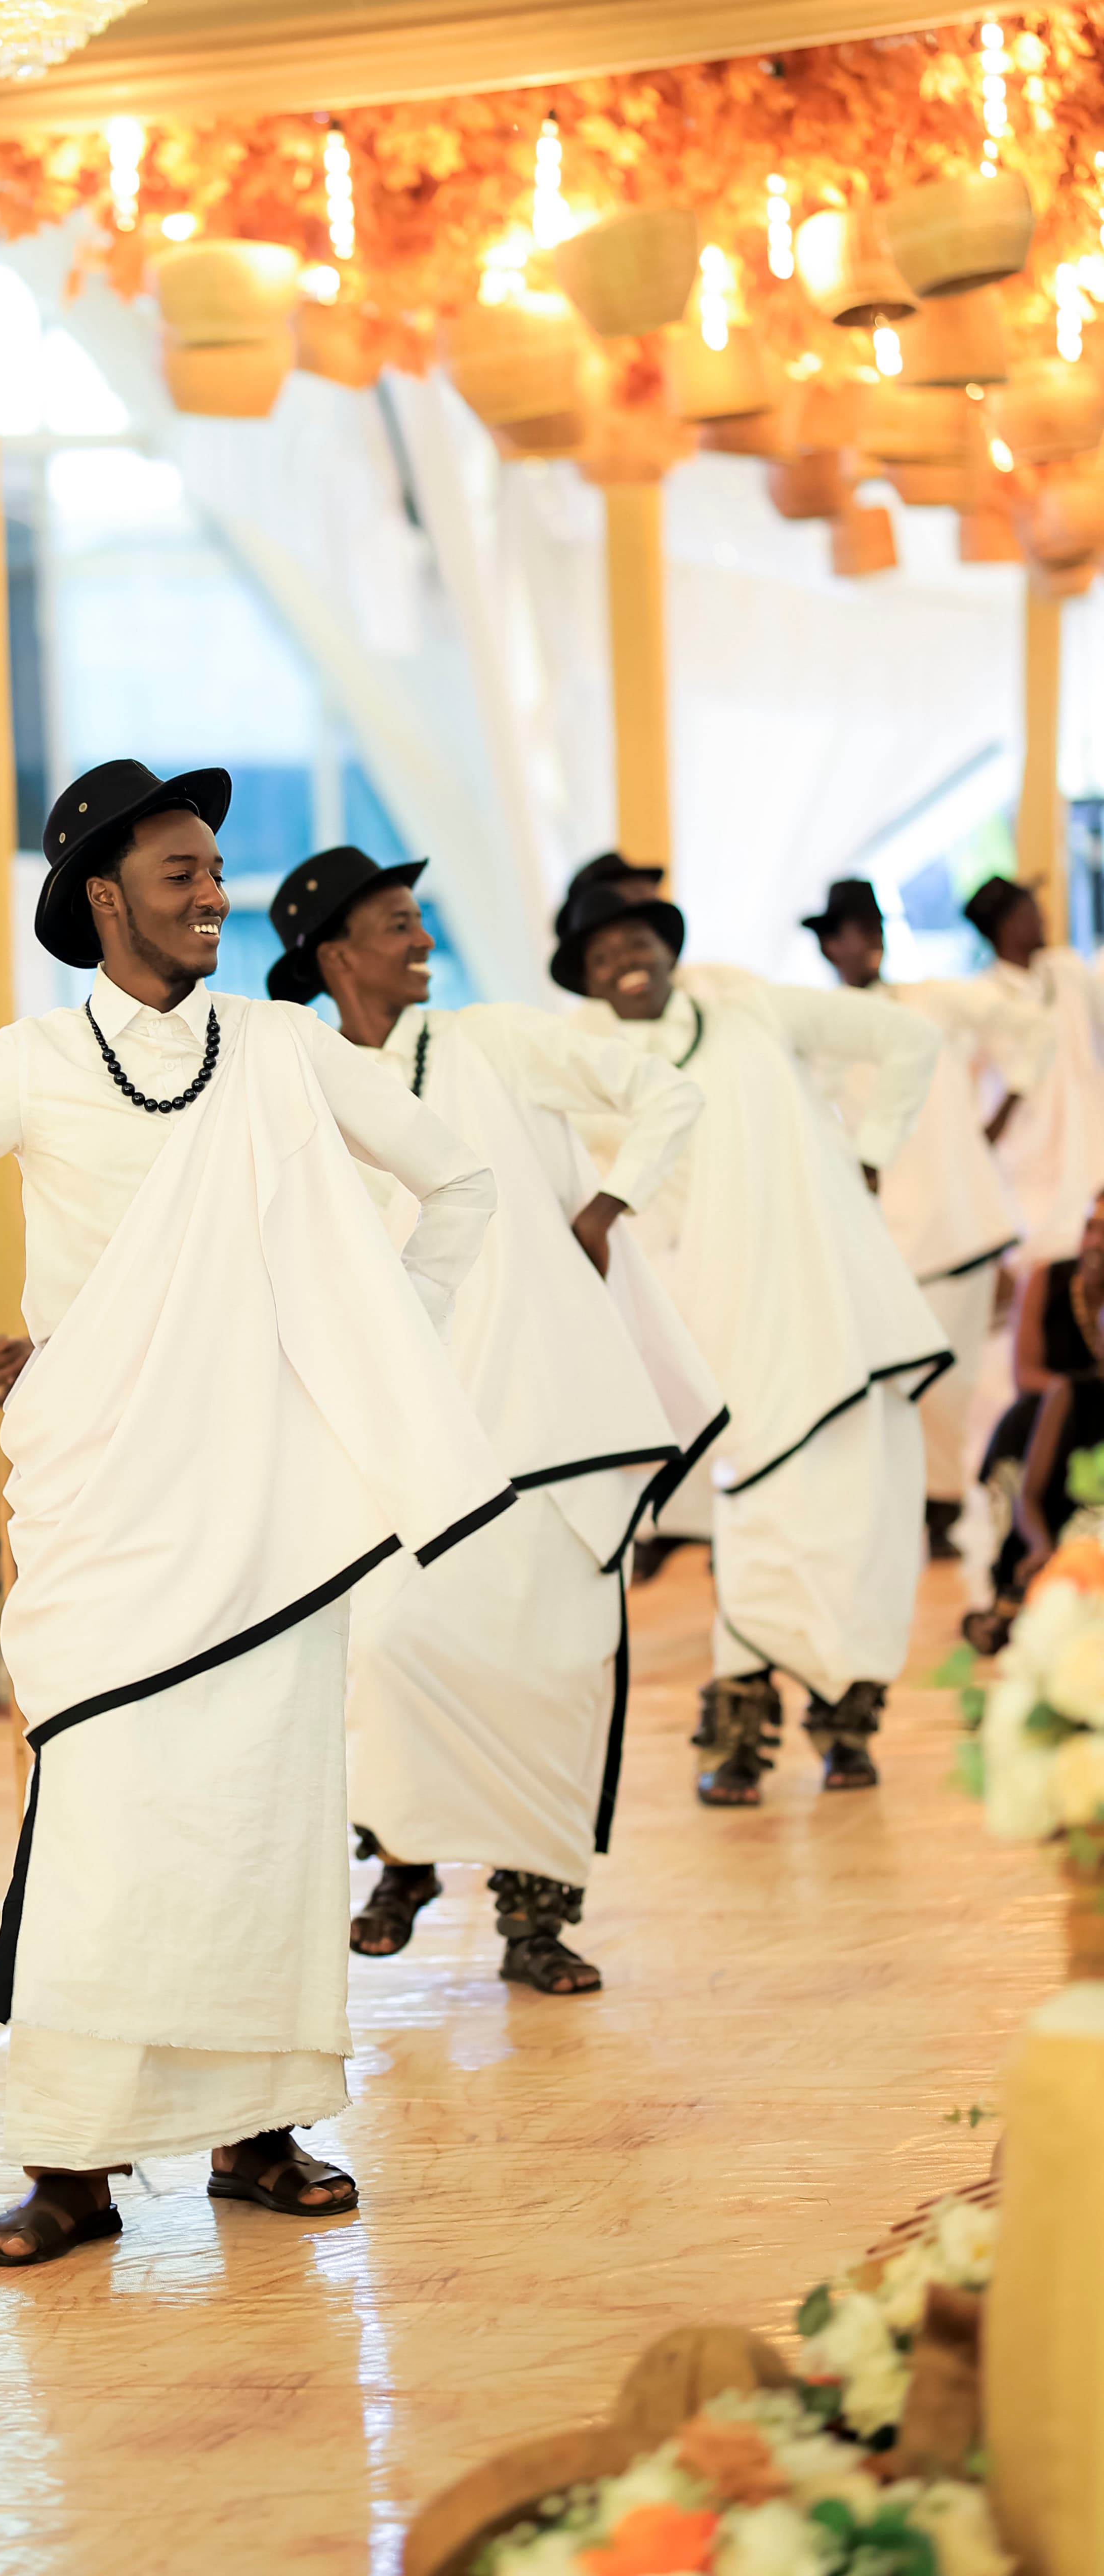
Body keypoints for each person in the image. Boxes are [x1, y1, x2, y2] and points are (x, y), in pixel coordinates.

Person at [0, 760, 509, 2269]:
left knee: (264, 1812)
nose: (211, 895)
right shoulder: (30, 1061)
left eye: (213, 870)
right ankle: (69, 2163)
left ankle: (258, 2133)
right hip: (100, 1500)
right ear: (102, 897)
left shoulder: (278, 1048)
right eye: (179, 873)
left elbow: (457, 1184)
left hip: (266, 1500)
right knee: (103, 1813)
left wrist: (366, 1343)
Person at [266, 846, 718, 1992]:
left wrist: (604, 1211)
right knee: (389, 1647)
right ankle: (404, 1856)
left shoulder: (492, 1042)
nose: (424, 939)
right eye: (397, 923)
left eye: (419, 919)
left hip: (549, 1411)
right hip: (397, 1428)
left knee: (553, 1665)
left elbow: (665, 1093)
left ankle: (535, 1919)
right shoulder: (298, 1088)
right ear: (333, 955)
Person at [558, 882, 947, 1805]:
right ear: (588, 980)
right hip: (725, 1320)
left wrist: (869, 1154)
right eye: (603, 956)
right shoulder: (597, 1075)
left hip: (837, 1305)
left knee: (856, 1515)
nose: (625, 962)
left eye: (636, 941)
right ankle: (741, 1724)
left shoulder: (756, 1014)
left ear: (668, 947)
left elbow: (909, 1040)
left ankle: (846, 1722)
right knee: (756, 1514)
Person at [803, 876, 1052, 1559]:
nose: (868, 941)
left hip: (958, 1224)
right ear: (829, 945)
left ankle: (941, 1511)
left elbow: (1030, 1028)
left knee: (951, 1379)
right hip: (881, 1234)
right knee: (883, 1378)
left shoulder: (931, 1000)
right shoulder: (821, 1025)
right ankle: (890, 1507)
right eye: (853, 930)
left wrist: (997, 1119)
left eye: (875, 927)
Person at [963, 874, 1104, 1269]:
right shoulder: (983, 999)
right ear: (1007, 926)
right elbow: (969, 1087)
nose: (1043, 918)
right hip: (1033, 1173)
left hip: (1090, 1151)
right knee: (1041, 1272)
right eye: (1030, 911)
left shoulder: (1066, 971)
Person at [1012, 1216, 1104, 1575]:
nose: (1094, 1242)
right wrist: (1043, 1549)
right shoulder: (1069, 1393)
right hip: (1070, 1552)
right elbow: (1029, 1497)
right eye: (1091, 1227)